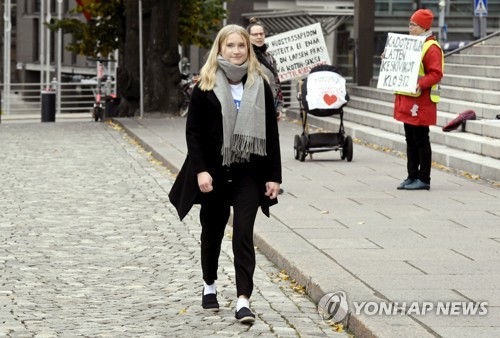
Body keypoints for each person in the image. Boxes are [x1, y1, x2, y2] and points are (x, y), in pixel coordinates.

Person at [168, 24, 282, 324]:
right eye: (230, 45)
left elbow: (271, 132)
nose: (236, 50)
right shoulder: (205, 85)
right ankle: (209, 285)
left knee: (243, 234)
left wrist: (274, 176)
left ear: (248, 49)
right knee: (213, 233)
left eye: (241, 46)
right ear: (220, 49)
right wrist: (201, 172)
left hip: (249, 173)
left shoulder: (260, 84)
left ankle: (243, 299)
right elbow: (193, 134)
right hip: (215, 173)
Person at [393, 9, 443, 190]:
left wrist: (421, 84)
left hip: (421, 100)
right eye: (410, 23)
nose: (410, 27)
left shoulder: (431, 47)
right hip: (409, 98)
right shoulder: (411, 43)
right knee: (410, 139)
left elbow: (436, 73)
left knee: (421, 139)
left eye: (413, 24)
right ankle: (411, 176)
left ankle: (424, 179)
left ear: (423, 27)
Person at [247, 18, 285, 194]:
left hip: (270, 106)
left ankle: (271, 178)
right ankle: (258, 178)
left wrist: (279, 107)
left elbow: (277, 83)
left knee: (270, 142)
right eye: (254, 34)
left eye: (261, 34)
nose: (259, 37)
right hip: (253, 106)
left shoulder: (269, 57)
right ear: (248, 36)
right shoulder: (246, 56)